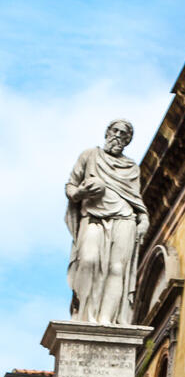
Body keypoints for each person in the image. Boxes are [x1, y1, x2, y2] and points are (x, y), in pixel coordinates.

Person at [64, 119, 147, 325]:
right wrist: (80, 193)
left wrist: (144, 219)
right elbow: (71, 186)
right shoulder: (90, 155)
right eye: (115, 131)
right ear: (107, 133)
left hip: (125, 218)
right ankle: (85, 316)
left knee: (117, 269)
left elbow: (136, 200)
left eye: (124, 134)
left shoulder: (132, 168)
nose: (118, 136)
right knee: (89, 260)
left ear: (127, 141)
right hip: (93, 216)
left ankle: (107, 320)